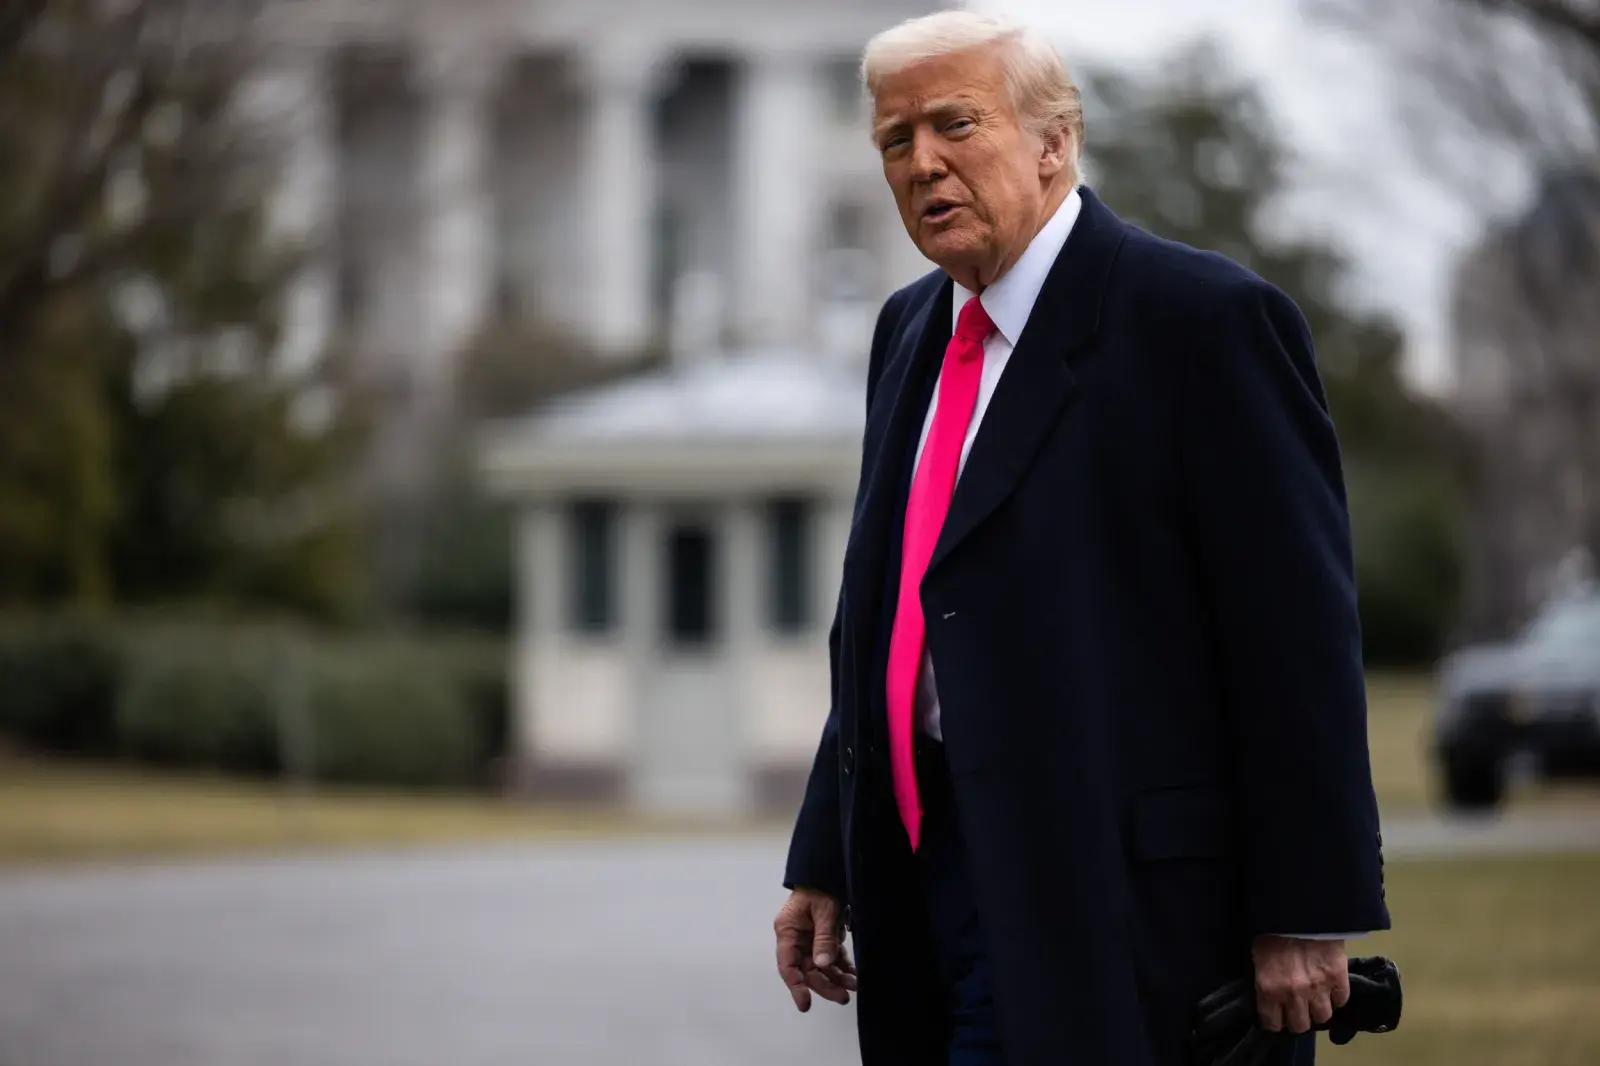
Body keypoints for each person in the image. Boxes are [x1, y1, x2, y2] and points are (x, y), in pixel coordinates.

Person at [771, 11, 1390, 1066]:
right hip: (934, 888)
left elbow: (1296, 642)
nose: (923, 163)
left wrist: (1305, 907)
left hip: (1135, 913)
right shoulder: (907, 330)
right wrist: (825, 854)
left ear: (1054, 140)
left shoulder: (1202, 323)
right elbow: (885, 618)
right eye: (895, 140)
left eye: (956, 125)